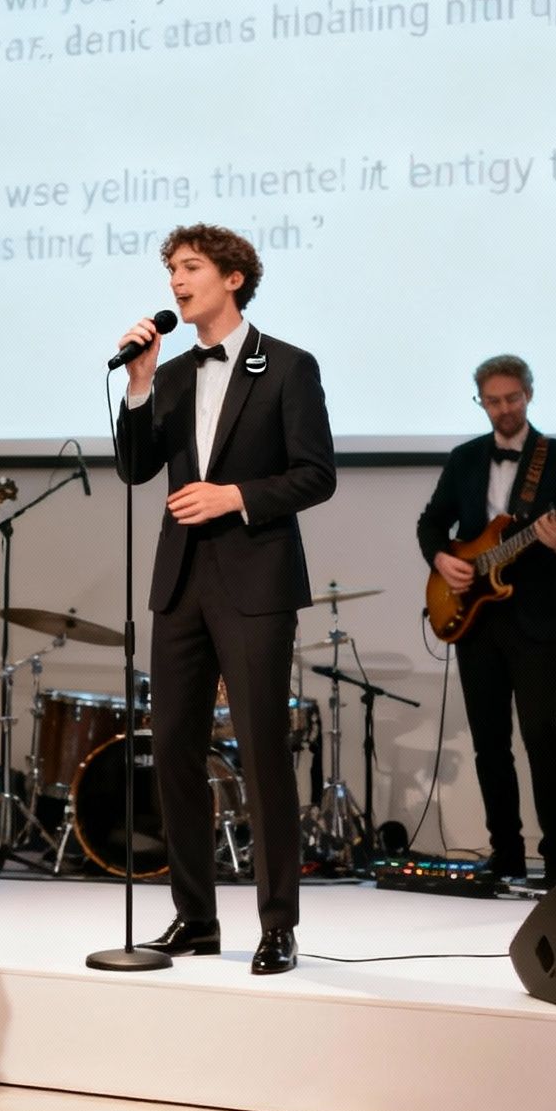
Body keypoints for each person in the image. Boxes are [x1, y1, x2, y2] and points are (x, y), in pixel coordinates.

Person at [115, 223, 335, 975]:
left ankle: (278, 925)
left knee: (262, 749)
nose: (176, 280)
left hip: (254, 580)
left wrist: (234, 496)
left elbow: (316, 474)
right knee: (172, 747)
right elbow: (136, 468)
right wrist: (140, 384)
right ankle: (194, 918)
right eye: (171, 268)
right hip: (180, 581)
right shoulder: (170, 373)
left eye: (191, 267)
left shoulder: (290, 367)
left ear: (233, 278)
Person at [416, 355, 556, 888]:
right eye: (493, 401)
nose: (504, 409)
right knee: (490, 742)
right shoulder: (465, 457)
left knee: (541, 735)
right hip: (474, 620)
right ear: (481, 402)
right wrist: (442, 558)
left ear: (529, 395)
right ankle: (505, 852)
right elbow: (430, 524)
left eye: (512, 398)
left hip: (535, 617)